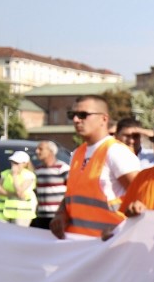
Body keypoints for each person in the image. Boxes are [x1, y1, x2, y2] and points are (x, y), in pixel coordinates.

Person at [50, 96, 141, 238]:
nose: (76, 120)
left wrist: (120, 232)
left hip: (108, 247)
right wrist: (61, 214)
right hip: (81, 245)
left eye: (83, 115)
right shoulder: (78, 153)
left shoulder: (116, 152)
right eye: (72, 115)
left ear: (104, 119)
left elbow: (143, 197)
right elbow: (73, 194)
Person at [32, 141, 70, 230]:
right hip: (41, 216)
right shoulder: (38, 170)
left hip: (57, 216)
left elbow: (72, 190)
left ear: (51, 151)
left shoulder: (62, 168)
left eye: (40, 149)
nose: (37, 151)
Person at [0, 150, 36, 226]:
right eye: (13, 162)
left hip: (21, 214)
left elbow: (19, 192)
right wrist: (11, 194)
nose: (14, 165)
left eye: (17, 163)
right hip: (3, 213)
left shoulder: (29, 175)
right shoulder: (5, 173)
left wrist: (15, 175)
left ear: (25, 164)